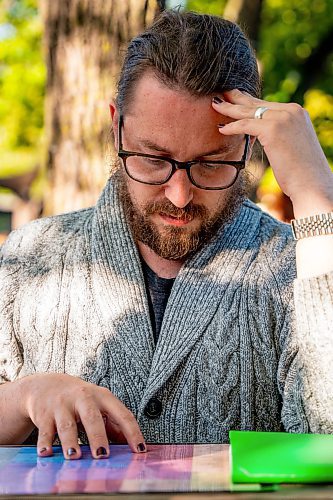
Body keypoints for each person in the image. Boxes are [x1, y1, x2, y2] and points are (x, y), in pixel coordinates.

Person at [0, 10, 332, 461]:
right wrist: (22, 399)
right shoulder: (31, 255)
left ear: (250, 145)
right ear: (117, 125)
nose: (179, 196)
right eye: (154, 159)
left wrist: (317, 201)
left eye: (211, 163)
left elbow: (325, 431)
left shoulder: (303, 265)